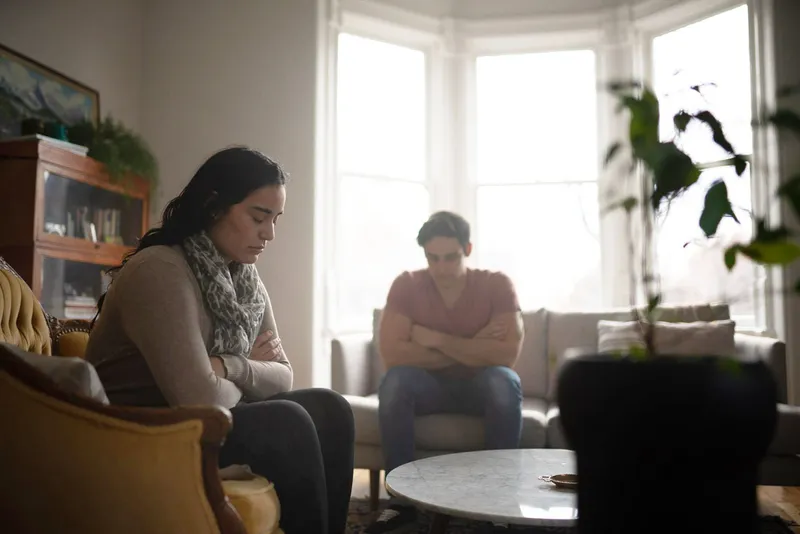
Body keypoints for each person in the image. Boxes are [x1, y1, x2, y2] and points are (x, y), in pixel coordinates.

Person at [84, 146, 354, 534]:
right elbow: (199, 397)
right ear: (214, 206)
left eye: (275, 219)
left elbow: (283, 375)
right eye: (258, 217)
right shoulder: (160, 270)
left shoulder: (244, 279)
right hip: (144, 430)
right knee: (287, 420)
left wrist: (231, 366)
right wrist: (247, 374)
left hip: (198, 420)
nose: (270, 233)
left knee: (331, 408)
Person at [366, 211, 524, 534]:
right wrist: (474, 345)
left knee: (504, 381)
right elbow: (393, 355)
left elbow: (506, 354)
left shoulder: (497, 284)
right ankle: (401, 503)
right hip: (428, 389)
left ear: (468, 249)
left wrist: (434, 340)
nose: (440, 268)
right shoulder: (407, 285)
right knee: (395, 382)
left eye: (450, 257)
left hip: (481, 387)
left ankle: (498, 505)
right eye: (432, 258)